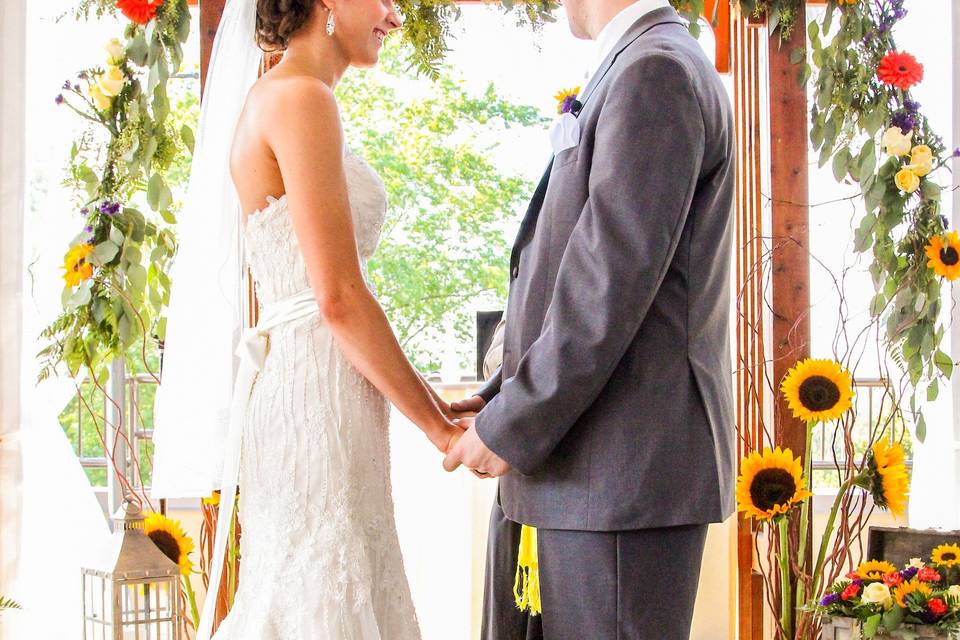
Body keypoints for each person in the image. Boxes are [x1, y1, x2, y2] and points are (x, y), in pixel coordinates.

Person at [155, 0, 472, 637]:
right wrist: (437, 429)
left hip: (315, 383)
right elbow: (339, 296)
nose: (394, 16)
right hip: (315, 399)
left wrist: (435, 405)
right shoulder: (301, 98)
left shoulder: (286, 95)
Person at [445, 1, 738, 637]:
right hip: (579, 469)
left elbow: (610, 284)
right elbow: (571, 274)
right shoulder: (642, 62)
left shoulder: (655, 70)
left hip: (615, 474)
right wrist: (499, 398)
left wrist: (513, 423)